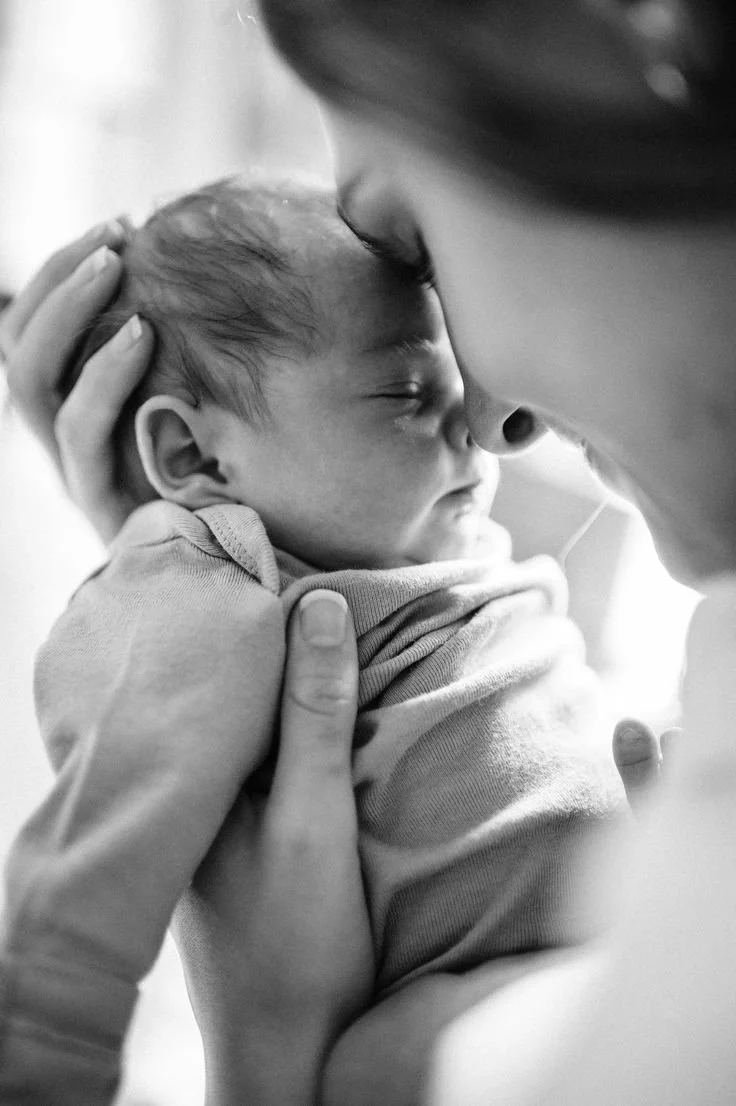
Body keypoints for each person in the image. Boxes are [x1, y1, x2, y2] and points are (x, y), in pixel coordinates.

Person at [4, 0, 726, 1099]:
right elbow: (92, 859)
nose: (485, 427)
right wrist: (41, 1051)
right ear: (191, 456)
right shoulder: (197, 591)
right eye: (401, 395)